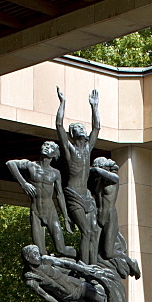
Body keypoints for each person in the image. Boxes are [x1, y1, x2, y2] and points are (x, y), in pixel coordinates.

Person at [6, 142, 75, 258]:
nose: (46, 147)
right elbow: (10, 163)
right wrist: (24, 184)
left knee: (61, 249)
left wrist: (66, 217)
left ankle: (82, 257)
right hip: (36, 212)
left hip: (50, 213)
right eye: (45, 145)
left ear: (55, 154)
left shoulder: (55, 173)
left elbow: (60, 195)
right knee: (40, 252)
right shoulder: (31, 165)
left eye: (50, 147)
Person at [55, 85, 99, 263]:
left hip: (87, 195)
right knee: (86, 232)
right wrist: (62, 102)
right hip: (73, 195)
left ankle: (94, 265)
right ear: (72, 134)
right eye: (77, 128)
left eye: (82, 127)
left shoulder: (88, 149)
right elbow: (59, 125)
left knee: (95, 231)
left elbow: (96, 128)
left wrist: (94, 106)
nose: (82, 129)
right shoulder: (70, 150)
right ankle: (85, 264)